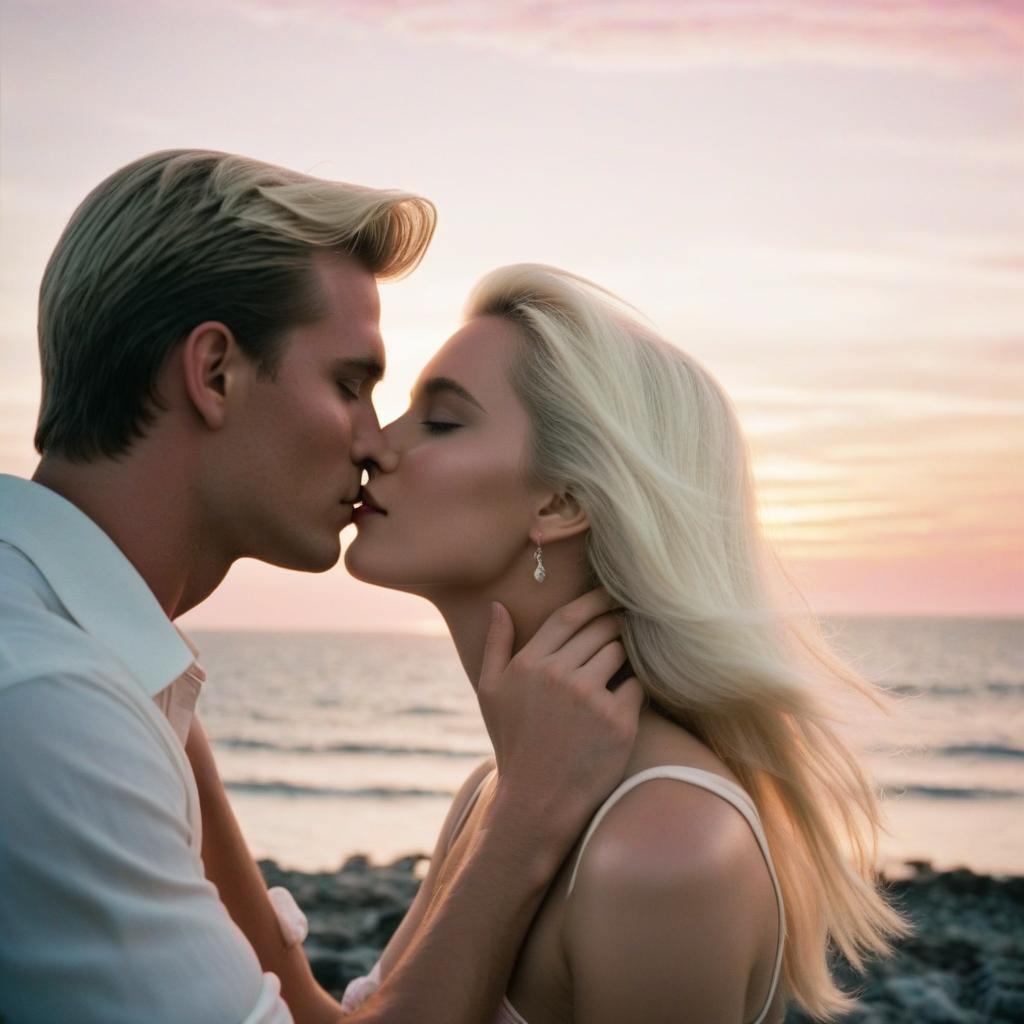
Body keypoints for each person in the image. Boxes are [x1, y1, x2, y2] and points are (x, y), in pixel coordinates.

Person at [0, 151, 645, 1024]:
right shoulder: (53, 702)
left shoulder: (110, 672)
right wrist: (526, 817)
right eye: (351, 384)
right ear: (215, 372)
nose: (376, 442)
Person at [333, 264, 913, 1022]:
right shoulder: (495, 795)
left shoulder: (662, 848)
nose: (375, 443)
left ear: (562, 500)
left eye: (440, 421)